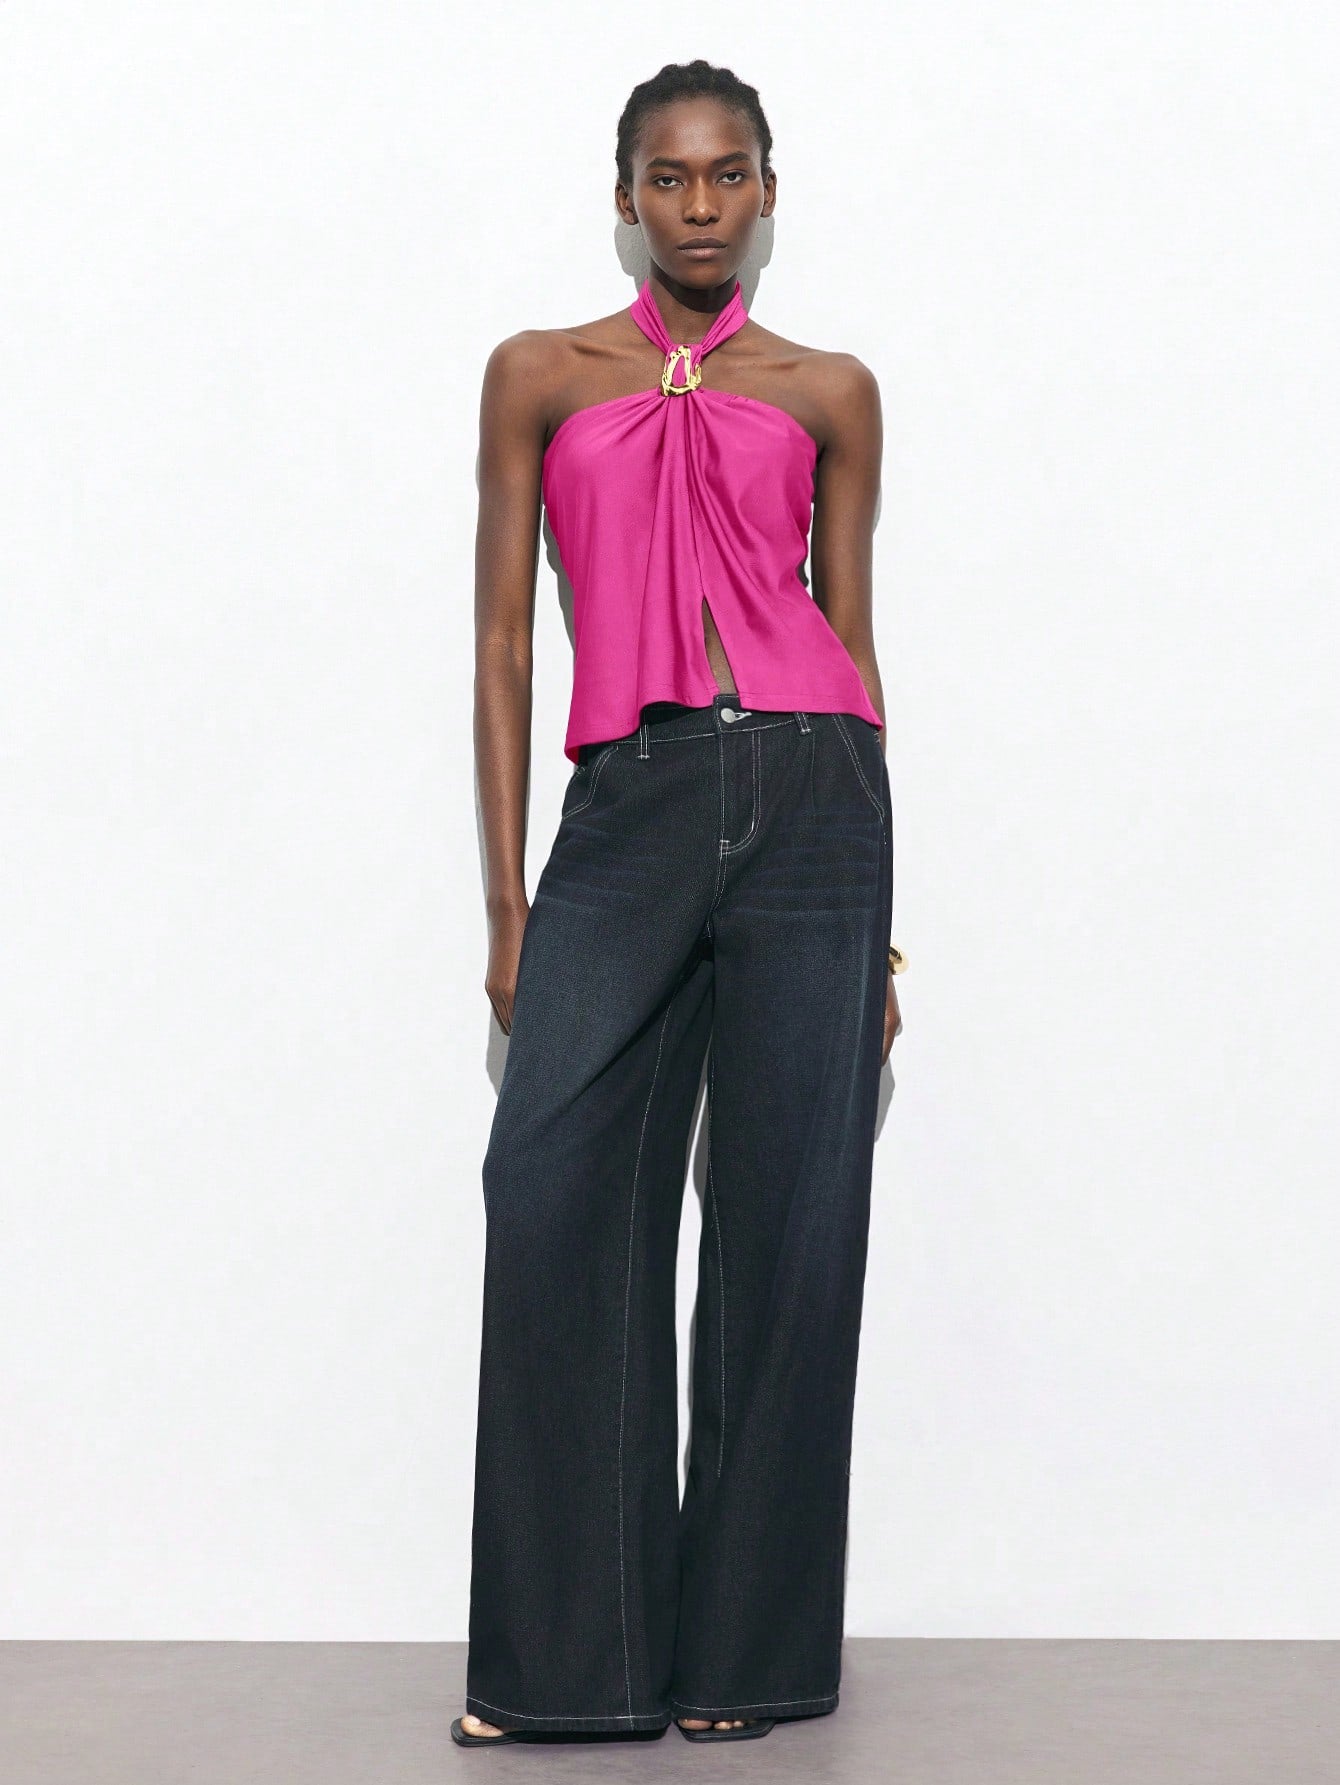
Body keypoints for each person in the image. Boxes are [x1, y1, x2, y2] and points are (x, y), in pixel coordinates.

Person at [454, 58, 905, 1749]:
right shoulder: (538, 373)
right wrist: (509, 905)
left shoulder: (831, 388)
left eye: (728, 176)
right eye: (670, 177)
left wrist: (882, 921)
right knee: (552, 1192)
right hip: (630, 799)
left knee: (790, 1223)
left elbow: (852, 644)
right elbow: (504, 641)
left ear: (768, 191)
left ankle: (746, 1660)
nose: (700, 204)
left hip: (814, 799)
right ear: (625, 194)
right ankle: (572, 1664)